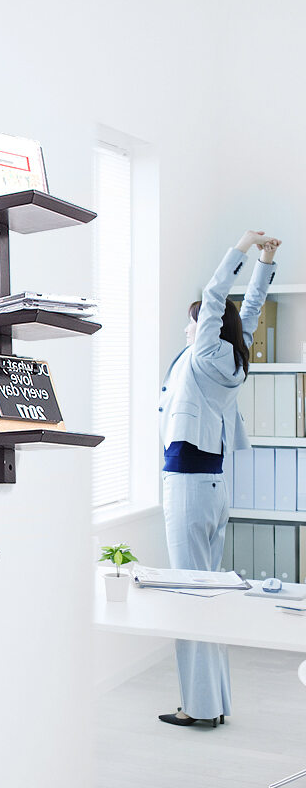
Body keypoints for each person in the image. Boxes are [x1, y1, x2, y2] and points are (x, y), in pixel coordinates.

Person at [158, 230, 281, 727]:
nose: (188, 328)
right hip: (213, 486)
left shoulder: (205, 354)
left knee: (191, 597)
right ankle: (217, 703)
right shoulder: (234, 355)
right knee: (209, 593)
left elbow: (216, 298)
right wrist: (266, 262)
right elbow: (247, 312)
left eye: (193, 322)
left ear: (207, 327)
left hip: (187, 485)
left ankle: (199, 707)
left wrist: (242, 246)